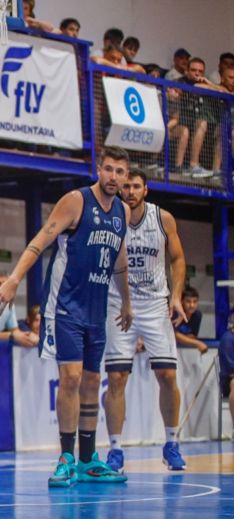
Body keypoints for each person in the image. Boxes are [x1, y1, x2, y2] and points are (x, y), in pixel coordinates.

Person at [0, 146, 134, 488]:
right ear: (98, 169)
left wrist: (127, 303)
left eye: (120, 171)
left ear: (126, 177)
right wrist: (14, 278)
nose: (114, 176)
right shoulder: (76, 201)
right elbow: (41, 240)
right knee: (70, 378)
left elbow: (119, 261)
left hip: (97, 309)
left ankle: (87, 459)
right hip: (65, 306)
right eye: (109, 169)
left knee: (92, 382)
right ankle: (66, 457)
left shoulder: (123, 212)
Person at [103, 170, 189, 474]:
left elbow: (177, 259)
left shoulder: (163, 219)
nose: (130, 191)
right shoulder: (111, 218)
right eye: (126, 186)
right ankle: (115, 450)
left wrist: (176, 297)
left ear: (146, 190)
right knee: (116, 378)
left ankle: (172, 444)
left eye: (136, 186)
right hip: (118, 302)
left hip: (154, 303)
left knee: (167, 374)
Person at [174, 286, 207, 353]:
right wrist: (197, 343)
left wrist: (182, 338)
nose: (192, 305)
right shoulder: (175, 313)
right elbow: (174, 335)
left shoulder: (197, 315)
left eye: (195, 301)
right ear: (182, 301)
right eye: (188, 301)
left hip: (183, 350)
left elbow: (192, 336)